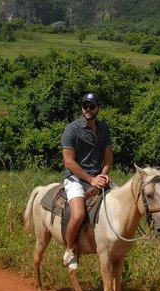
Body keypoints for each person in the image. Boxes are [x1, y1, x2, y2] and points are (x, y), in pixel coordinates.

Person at [60, 92, 114, 271]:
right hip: (75, 178)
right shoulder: (72, 129)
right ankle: (70, 250)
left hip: (97, 177)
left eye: (92, 106)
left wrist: (104, 175)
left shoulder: (104, 128)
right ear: (82, 108)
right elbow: (69, 161)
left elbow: (108, 158)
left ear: (98, 108)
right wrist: (91, 179)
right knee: (78, 215)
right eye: (85, 106)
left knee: (125, 202)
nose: (88, 110)